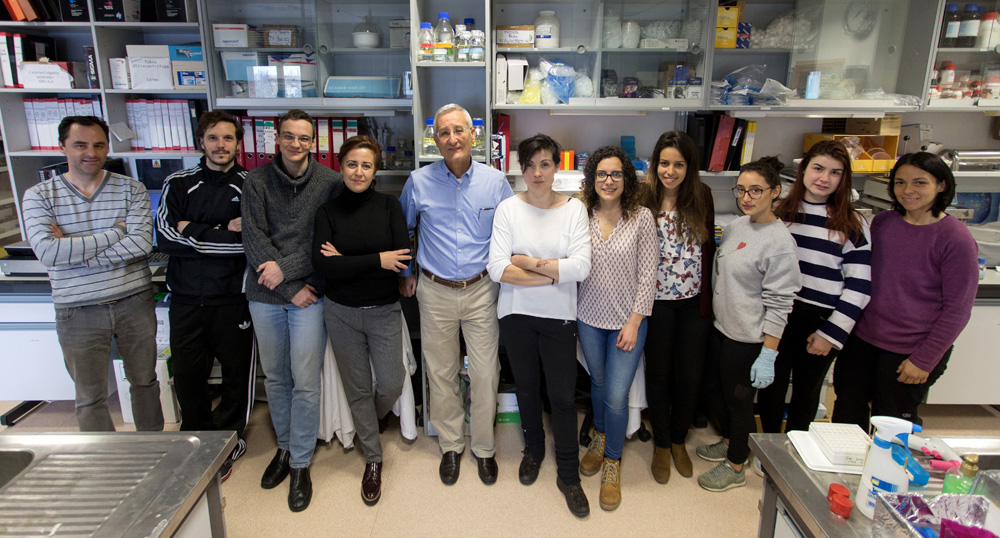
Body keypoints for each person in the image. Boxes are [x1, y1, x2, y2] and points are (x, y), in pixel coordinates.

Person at [22, 115, 163, 432]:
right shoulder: (39, 196)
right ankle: (105, 464)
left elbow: (140, 244)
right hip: (77, 309)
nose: (91, 152)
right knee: (90, 396)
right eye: (80, 145)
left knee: (145, 382)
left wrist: (71, 248)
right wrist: (116, 232)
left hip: (133, 302)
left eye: (99, 145)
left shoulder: (131, 189)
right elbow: (48, 252)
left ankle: (155, 452)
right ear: (62, 147)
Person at [398, 103, 513, 487]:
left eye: (458, 131)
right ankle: (450, 445)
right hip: (435, 291)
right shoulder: (418, 181)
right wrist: (407, 273)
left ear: (473, 134)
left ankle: (483, 448)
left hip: (482, 289)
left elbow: (510, 233)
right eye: (443, 133)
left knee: (484, 372)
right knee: (442, 371)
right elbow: (404, 232)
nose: (452, 139)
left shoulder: (495, 182)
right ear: (434, 139)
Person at [242, 109, 343, 512]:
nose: (296, 144)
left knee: (305, 379)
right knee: (277, 378)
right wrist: (286, 286)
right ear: (276, 139)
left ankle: (300, 461)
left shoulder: (331, 183)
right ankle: (282, 448)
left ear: (314, 142)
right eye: (288, 136)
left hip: (308, 295)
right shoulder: (256, 181)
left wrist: (291, 274)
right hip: (268, 295)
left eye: (304, 138)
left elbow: (327, 243)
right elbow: (253, 238)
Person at [832, 153, 978, 430]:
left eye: (920, 182)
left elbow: (958, 311)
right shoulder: (884, 223)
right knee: (847, 414)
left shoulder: (955, 238)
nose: (908, 191)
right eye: (900, 182)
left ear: (942, 185)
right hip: (864, 340)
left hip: (909, 350)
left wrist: (924, 360)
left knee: (892, 424)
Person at [487, 134, 592, 517]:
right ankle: (534, 449)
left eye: (544, 164)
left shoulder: (574, 210)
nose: (536, 172)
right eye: (529, 164)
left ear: (556, 168)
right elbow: (497, 267)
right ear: (521, 168)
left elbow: (581, 266)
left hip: (559, 317)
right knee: (528, 389)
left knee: (563, 396)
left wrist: (527, 262)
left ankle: (568, 474)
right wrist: (551, 274)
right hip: (516, 315)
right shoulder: (508, 209)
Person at [155, 110, 254, 481]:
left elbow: (250, 245)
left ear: (238, 144)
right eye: (214, 138)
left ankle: (228, 440)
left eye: (228, 138)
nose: (221, 145)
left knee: (235, 375)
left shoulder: (250, 184)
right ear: (201, 141)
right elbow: (166, 238)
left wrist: (192, 232)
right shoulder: (177, 183)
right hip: (184, 298)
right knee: (188, 374)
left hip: (232, 296)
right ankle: (196, 437)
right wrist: (220, 230)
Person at [312, 135, 410, 506]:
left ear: (375, 169)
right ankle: (373, 458)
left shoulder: (389, 206)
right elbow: (324, 266)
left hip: (384, 310)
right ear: (341, 166)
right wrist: (374, 259)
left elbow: (399, 259)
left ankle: (371, 419)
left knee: (391, 383)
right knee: (356, 388)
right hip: (341, 313)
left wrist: (347, 259)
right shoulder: (328, 213)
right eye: (352, 163)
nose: (358, 171)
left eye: (366, 165)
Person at [697, 156, 800, 492]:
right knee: (718, 393)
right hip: (721, 330)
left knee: (740, 402)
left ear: (775, 192)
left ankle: (736, 465)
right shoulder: (737, 227)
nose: (747, 197)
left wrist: (768, 353)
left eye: (756, 190)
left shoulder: (780, 243)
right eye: (741, 190)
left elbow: (781, 303)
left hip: (748, 337)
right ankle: (729, 442)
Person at [758, 140, 872, 436]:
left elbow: (860, 287)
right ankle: (768, 447)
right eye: (818, 168)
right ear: (803, 170)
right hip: (781, 314)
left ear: (843, 179)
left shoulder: (853, 223)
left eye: (835, 172)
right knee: (771, 384)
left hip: (821, 320)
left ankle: (796, 448)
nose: (824, 178)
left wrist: (832, 333)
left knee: (807, 392)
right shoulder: (781, 214)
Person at [575, 146, 656, 511]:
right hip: (589, 317)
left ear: (627, 179)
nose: (609, 181)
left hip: (628, 322)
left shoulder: (641, 218)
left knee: (617, 395)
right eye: (602, 174)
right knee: (597, 382)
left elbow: (649, 276)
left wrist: (635, 322)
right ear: (593, 179)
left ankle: (612, 460)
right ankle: (601, 435)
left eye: (616, 174)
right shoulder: (581, 214)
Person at [640, 131, 716, 484]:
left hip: (692, 303)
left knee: (689, 374)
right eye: (664, 163)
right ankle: (661, 443)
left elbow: (707, 252)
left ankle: (679, 439)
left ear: (690, 167)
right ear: (656, 164)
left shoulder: (702, 196)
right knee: (658, 373)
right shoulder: (642, 196)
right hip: (654, 303)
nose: (670, 171)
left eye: (679, 164)